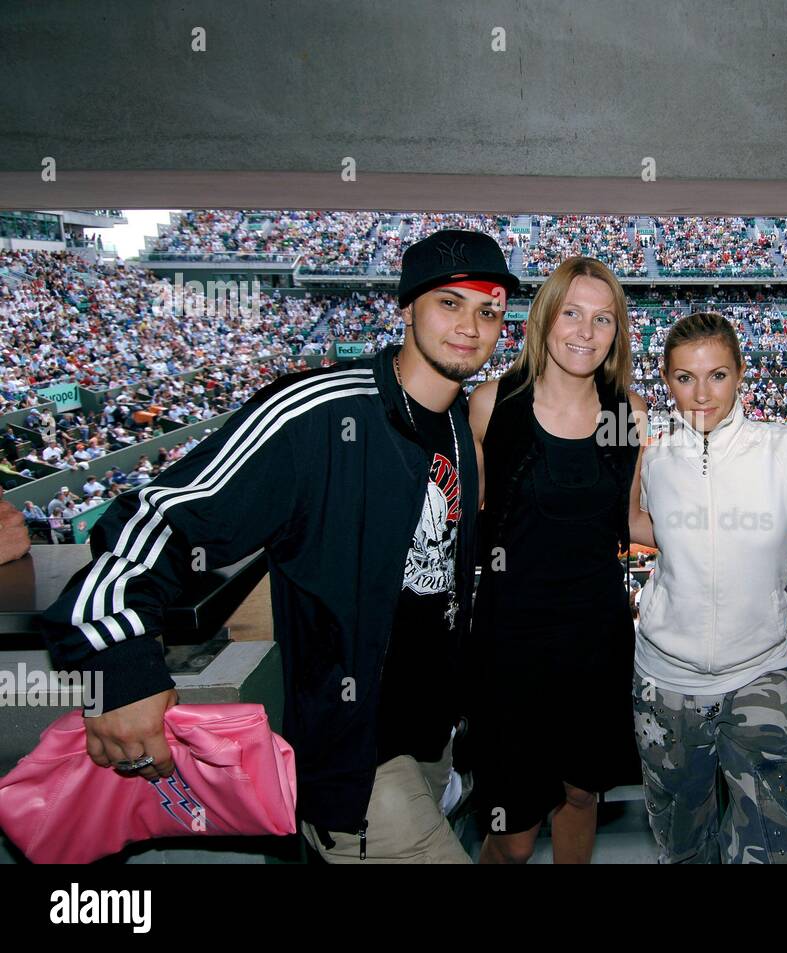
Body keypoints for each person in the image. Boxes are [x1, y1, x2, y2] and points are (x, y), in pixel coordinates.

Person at [40, 228, 519, 864]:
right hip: (358, 758)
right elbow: (158, 518)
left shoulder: (459, 425)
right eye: (449, 303)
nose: (471, 326)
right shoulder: (315, 412)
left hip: (431, 736)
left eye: (488, 309)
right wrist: (118, 666)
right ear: (406, 308)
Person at [632, 312, 787, 863]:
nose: (702, 394)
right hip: (664, 681)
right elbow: (637, 523)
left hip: (759, 673)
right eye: (685, 378)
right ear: (666, 380)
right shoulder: (656, 457)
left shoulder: (785, 449)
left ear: (740, 375)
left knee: (772, 849)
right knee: (683, 850)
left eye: (718, 375)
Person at [467, 256, 647, 864]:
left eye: (602, 319)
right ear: (545, 319)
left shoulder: (630, 414)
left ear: (616, 333)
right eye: (572, 313)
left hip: (595, 638)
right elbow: (463, 521)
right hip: (510, 644)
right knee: (514, 838)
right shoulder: (493, 404)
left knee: (580, 795)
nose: (585, 332)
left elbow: (634, 520)